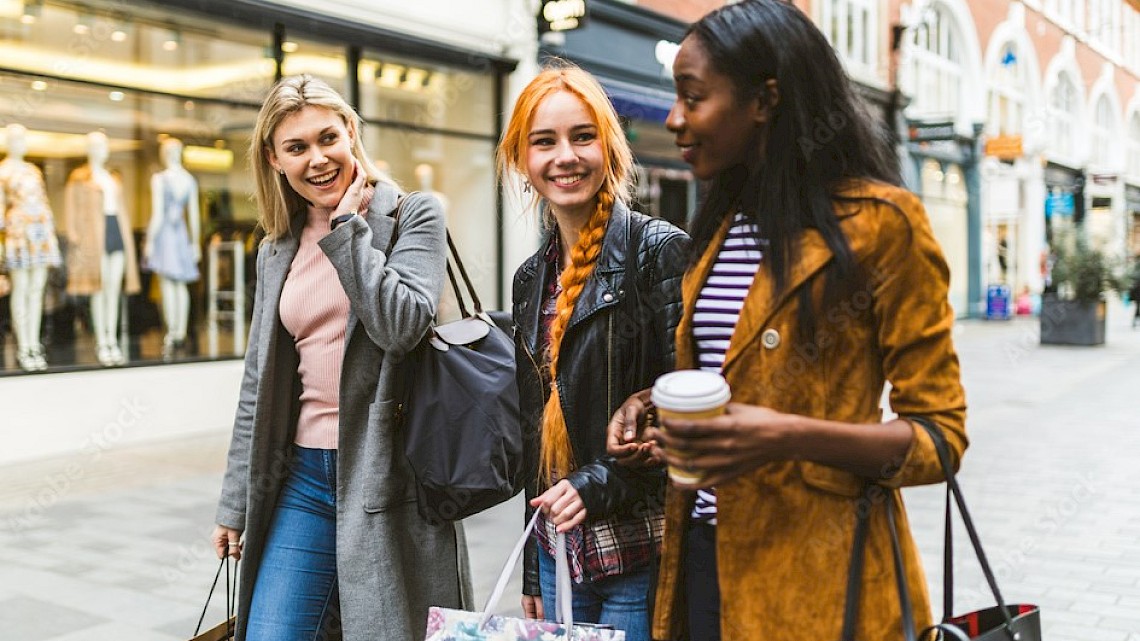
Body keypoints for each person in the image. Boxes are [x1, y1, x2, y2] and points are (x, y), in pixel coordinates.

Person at [606, 2, 967, 640]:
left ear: (765, 100)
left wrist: (784, 435)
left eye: (693, 97)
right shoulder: (720, 222)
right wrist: (653, 406)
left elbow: (939, 440)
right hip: (700, 558)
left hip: (820, 577)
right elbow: (739, 376)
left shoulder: (883, 225)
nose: (674, 118)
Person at [212, 74, 468, 641]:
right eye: (297, 147)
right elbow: (258, 381)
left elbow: (401, 326)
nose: (318, 159)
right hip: (300, 476)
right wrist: (235, 503)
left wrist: (348, 230)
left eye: (328, 138)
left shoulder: (413, 215)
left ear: (351, 131)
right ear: (275, 160)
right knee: (271, 633)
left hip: (389, 472)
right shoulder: (276, 247)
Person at [498, 65, 690, 641]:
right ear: (521, 160)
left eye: (583, 136)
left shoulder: (658, 252)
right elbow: (537, 431)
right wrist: (533, 563)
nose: (566, 156)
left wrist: (596, 483)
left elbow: (684, 405)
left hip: (638, 549)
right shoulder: (531, 278)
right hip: (560, 552)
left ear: (609, 146)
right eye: (545, 141)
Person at [64, 131, 141, 367]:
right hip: (92, 237)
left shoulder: (112, 178)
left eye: (103, 145)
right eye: (95, 145)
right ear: (88, 149)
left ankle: (112, 340)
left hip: (114, 230)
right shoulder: (79, 178)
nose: (100, 149)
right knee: (99, 288)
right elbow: (70, 210)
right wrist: (75, 237)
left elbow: (121, 211)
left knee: (113, 290)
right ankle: (101, 341)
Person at [0, 123, 62, 371]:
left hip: (40, 235)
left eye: (23, 138)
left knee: (37, 290)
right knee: (21, 289)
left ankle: (34, 343)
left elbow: (45, 204)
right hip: (17, 235)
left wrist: (52, 237)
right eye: (15, 138)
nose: (20, 142)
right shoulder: (2, 171)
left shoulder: (33, 171)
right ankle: (23, 345)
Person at [144, 137, 201, 357]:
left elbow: (158, 215)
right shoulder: (188, 180)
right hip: (181, 235)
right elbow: (194, 217)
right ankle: (180, 332)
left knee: (170, 285)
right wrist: (195, 243)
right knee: (180, 285)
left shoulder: (160, 179)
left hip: (167, 235)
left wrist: (149, 240)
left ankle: (172, 332)